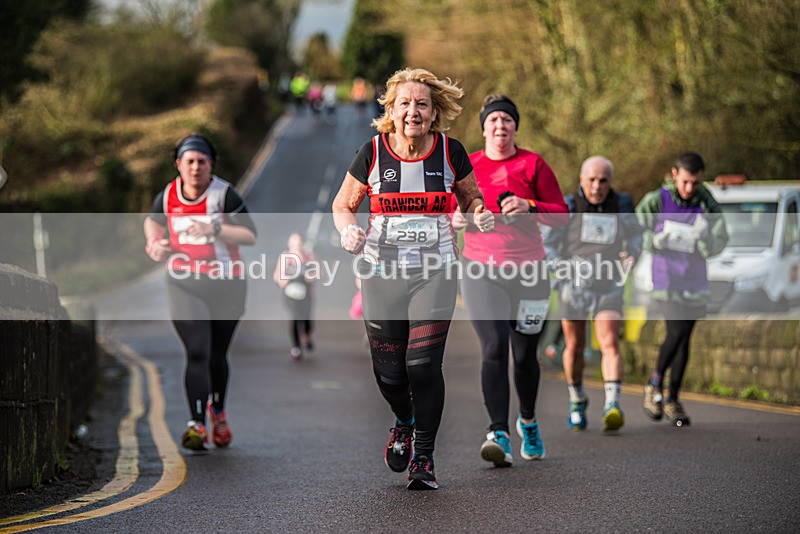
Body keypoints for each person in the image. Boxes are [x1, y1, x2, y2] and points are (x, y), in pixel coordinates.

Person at [332, 68, 494, 490]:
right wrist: (348, 229)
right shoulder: (371, 153)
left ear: (434, 111)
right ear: (391, 110)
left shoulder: (450, 151)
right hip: (382, 272)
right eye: (405, 103)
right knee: (389, 374)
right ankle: (403, 420)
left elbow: (472, 197)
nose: (413, 111)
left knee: (422, 365)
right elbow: (342, 204)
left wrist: (478, 213)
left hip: (435, 271)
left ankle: (424, 456)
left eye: (422, 103)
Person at [452, 94, 568, 468]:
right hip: (480, 269)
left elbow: (563, 216)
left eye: (506, 120)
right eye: (493, 121)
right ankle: (498, 432)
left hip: (529, 272)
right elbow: (450, 211)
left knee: (524, 356)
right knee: (493, 348)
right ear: (483, 128)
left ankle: (528, 421)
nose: (500, 126)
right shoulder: (467, 165)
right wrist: (459, 218)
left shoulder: (533, 164)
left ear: (515, 127)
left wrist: (530, 206)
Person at [144, 134, 257, 450]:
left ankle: (218, 412)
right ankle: (196, 424)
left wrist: (215, 228)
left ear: (211, 165)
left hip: (227, 285)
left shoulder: (225, 196)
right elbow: (152, 223)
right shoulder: (167, 196)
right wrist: (154, 244)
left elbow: (250, 235)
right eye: (189, 161)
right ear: (178, 164)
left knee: (217, 354)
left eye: (202, 161)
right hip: (184, 283)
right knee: (197, 351)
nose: (195, 168)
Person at [541, 156, 644, 432]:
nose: (597, 186)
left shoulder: (621, 204)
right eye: (592, 180)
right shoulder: (568, 206)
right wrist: (560, 267)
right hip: (573, 288)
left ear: (611, 181)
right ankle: (577, 400)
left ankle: (612, 405)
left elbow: (636, 235)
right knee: (573, 347)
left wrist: (631, 253)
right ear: (581, 179)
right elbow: (547, 243)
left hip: (609, 285)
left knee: (609, 340)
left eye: (603, 180)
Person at [636, 152, 728, 426]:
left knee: (685, 337)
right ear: (675, 174)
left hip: (694, 279)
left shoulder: (706, 201)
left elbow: (722, 237)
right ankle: (653, 385)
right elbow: (634, 228)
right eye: (686, 182)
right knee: (675, 330)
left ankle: (673, 399)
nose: (690, 189)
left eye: (696, 183)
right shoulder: (657, 200)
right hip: (667, 280)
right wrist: (655, 240)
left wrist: (705, 239)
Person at [273, 232, 316, 361]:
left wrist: (310, 277)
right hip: (290, 294)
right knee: (295, 319)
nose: (297, 245)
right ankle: (296, 348)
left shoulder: (309, 256)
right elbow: (277, 275)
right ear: (289, 244)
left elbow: (317, 273)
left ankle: (306, 335)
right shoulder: (285, 257)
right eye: (294, 242)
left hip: (306, 294)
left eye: (299, 242)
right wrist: (284, 280)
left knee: (307, 320)